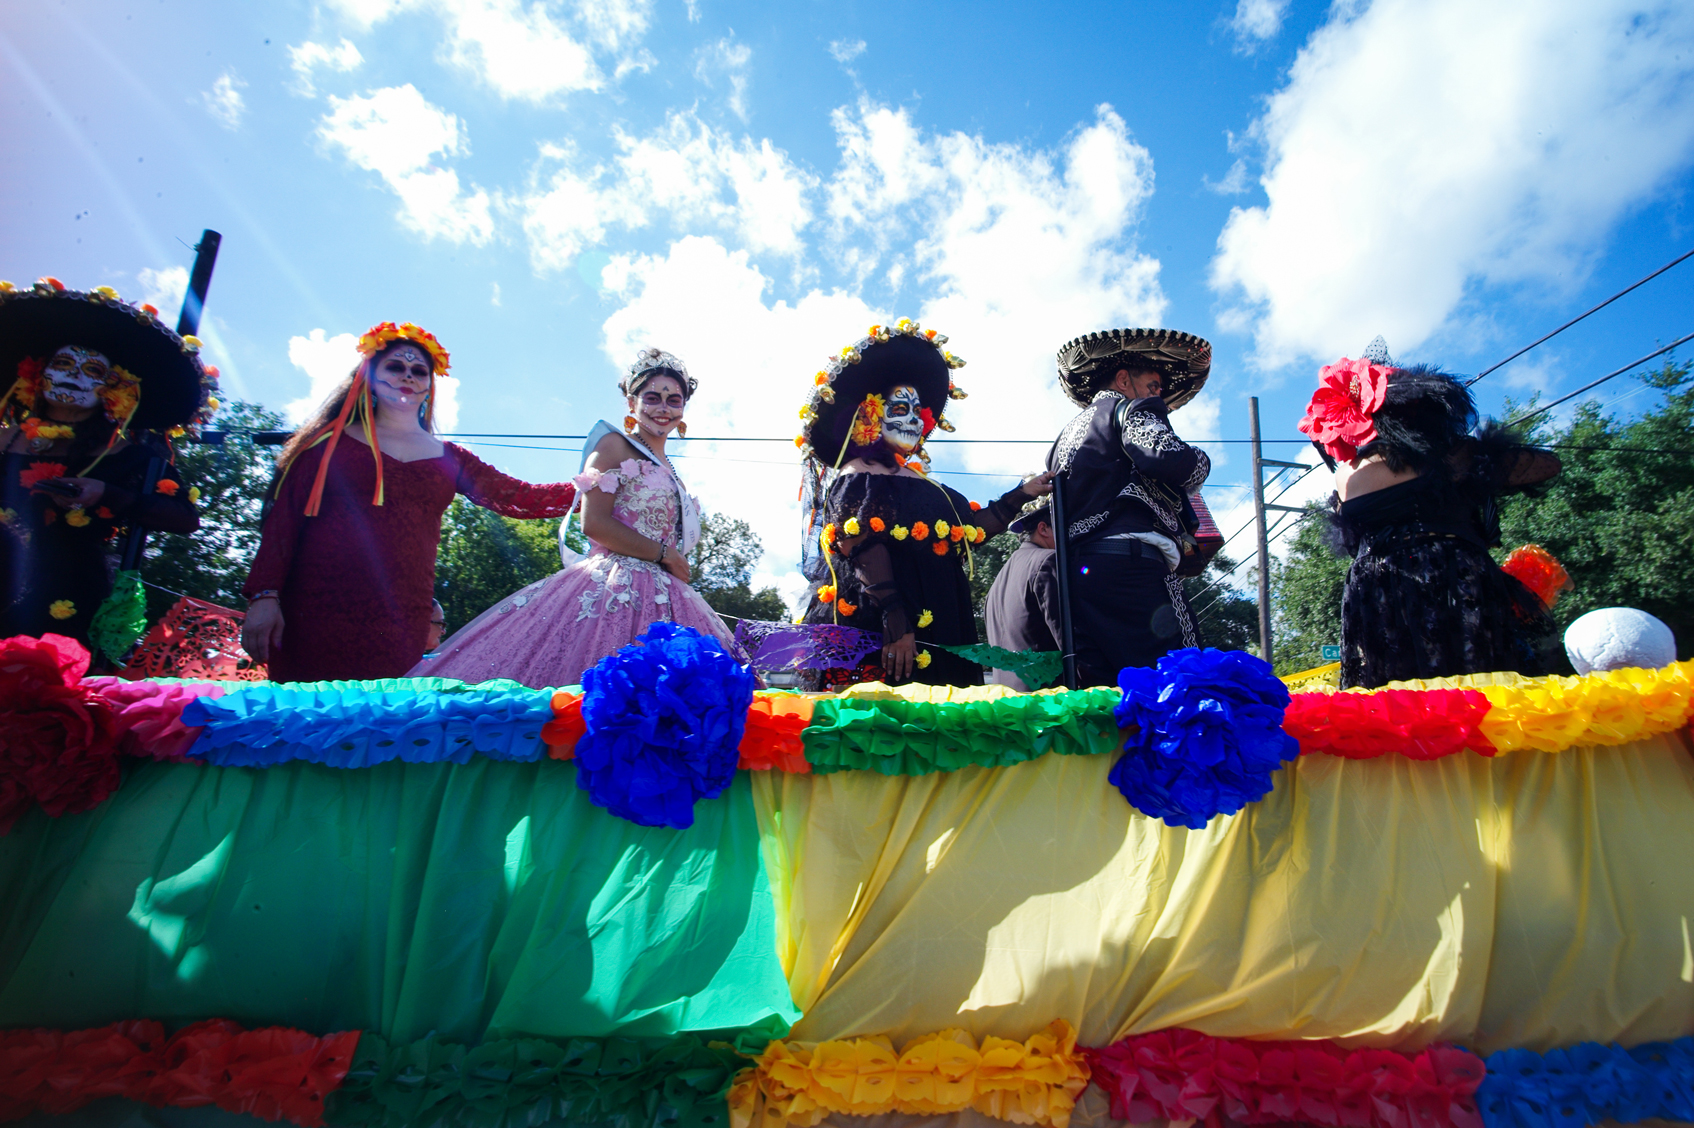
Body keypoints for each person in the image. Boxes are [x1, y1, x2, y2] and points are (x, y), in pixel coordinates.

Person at [241, 322, 577, 683]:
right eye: (395, 367)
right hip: (313, 609)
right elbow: (282, 524)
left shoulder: (452, 459)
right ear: (368, 375)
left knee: (386, 728)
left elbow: (524, 498)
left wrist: (605, 480)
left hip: (400, 618)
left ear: (430, 384)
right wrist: (263, 596)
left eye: (419, 371)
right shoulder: (325, 443)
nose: (408, 377)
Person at [414, 348, 741, 688]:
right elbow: (593, 523)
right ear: (632, 403)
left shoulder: (675, 475)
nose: (663, 407)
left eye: (674, 400)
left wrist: (671, 559)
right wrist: (665, 554)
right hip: (613, 587)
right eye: (652, 397)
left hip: (668, 596)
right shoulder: (613, 444)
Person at [795, 319, 1052, 688]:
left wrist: (1024, 493)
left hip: (944, 626)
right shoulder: (857, 475)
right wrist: (897, 623)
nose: (913, 419)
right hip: (890, 633)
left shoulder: (929, 486)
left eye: (918, 411)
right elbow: (864, 548)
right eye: (900, 409)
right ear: (871, 414)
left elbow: (973, 529)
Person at [1298, 342, 1561, 688]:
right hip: (1445, 573)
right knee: (1476, 690)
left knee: (1396, 702)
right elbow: (1545, 466)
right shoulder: (1452, 456)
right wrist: (1477, 458)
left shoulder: (1345, 474)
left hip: (1376, 588)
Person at [0, 278, 211, 656]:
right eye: (62, 363)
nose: (72, 375)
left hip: (69, 597)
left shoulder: (128, 455)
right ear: (37, 373)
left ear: (113, 389)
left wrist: (109, 495)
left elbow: (185, 518)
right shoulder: (4, 441)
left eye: (91, 371)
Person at [1048, 327, 1213, 687]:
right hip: (1132, 568)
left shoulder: (1062, 437)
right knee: (1184, 680)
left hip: (1077, 576)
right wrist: (1201, 460)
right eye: (1154, 386)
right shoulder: (1129, 410)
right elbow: (1165, 455)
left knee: (1110, 692)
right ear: (1123, 379)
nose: (1160, 398)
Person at [983, 500, 1062, 691]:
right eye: (1064, 526)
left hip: (1007, 703)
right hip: (1045, 702)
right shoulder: (1047, 561)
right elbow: (1068, 641)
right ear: (1043, 529)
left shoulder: (998, 579)